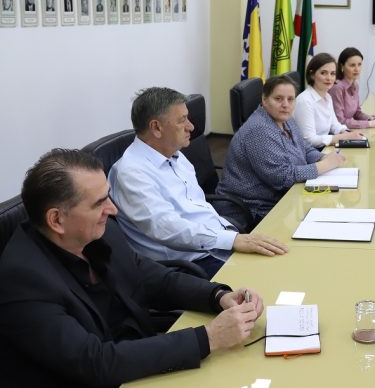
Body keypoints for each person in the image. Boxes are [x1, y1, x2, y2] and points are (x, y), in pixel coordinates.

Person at [0, 149, 264, 387]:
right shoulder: (22, 283)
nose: (113, 209)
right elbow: (96, 362)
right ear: (56, 220)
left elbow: (150, 276)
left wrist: (217, 296)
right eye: (99, 203)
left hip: (137, 364)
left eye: (107, 196)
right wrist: (209, 338)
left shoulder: (98, 232)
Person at [109, 87, 288, 278]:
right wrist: (231, 240)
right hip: (188, 263)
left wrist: (231, 237)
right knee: (273, 278)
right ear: (156, 128)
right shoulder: (131, 172)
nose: (191, 127)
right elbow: (166, 228)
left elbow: (197, 206)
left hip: (215, 240)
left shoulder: (175, 155)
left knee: (285, 260)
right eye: (182, 120)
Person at [217, 75, 347, 225]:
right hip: (252, 208)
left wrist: (323, 157)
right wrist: (325, 165)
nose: (285, 104)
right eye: (278, 99)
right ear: (264, 99)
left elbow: (303, 147)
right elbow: (283, 178)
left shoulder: (286, 119)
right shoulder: (259, 130)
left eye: (291, 99)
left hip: (282, 197)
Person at [293, 52, 365, 148]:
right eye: (323, 73)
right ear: (312, 74)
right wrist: (342, 137)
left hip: (324, 148)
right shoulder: (305, 101)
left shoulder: (327, 97)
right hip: (310, 152)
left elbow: (335, 125)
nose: (329, 78)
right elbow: (309, 140)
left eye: (332, 74)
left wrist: (348, 133)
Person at [329, 47, 375, 129]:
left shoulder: (355, 85)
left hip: (347, 131)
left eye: (359, 64)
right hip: (335, 133)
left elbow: (357, 113)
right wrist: (369, 124)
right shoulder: (337, 88)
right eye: (352, 65)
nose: (357, 69)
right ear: (342, 66)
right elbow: (340, 121)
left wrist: (371, 118)